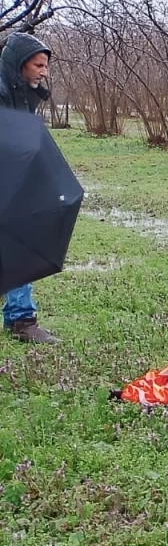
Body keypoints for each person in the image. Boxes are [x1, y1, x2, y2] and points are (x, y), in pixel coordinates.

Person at [0, 32, 57, 343]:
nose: (43, 71)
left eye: (45, 66)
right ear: (21, 63)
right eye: (38, 65)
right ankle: (21, 319)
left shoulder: (23, 93)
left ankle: (21, 319)